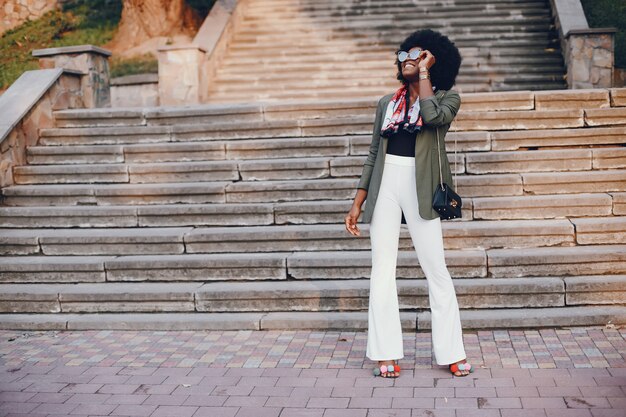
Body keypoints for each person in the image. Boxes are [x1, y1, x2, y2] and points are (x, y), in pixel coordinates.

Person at [344, 29, 472, 378]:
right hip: (386, 183)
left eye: (415, 55)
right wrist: (358, 201)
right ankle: (386, 353)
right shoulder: (387, 104)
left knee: (436, 269)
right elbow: (374, 154)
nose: (406, 61)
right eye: (402, 56)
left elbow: (432, 118)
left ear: (432, 59)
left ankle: (452, 353)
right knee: (382, 268)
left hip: (422, 185)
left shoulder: (447, 98)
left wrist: (426, 74)